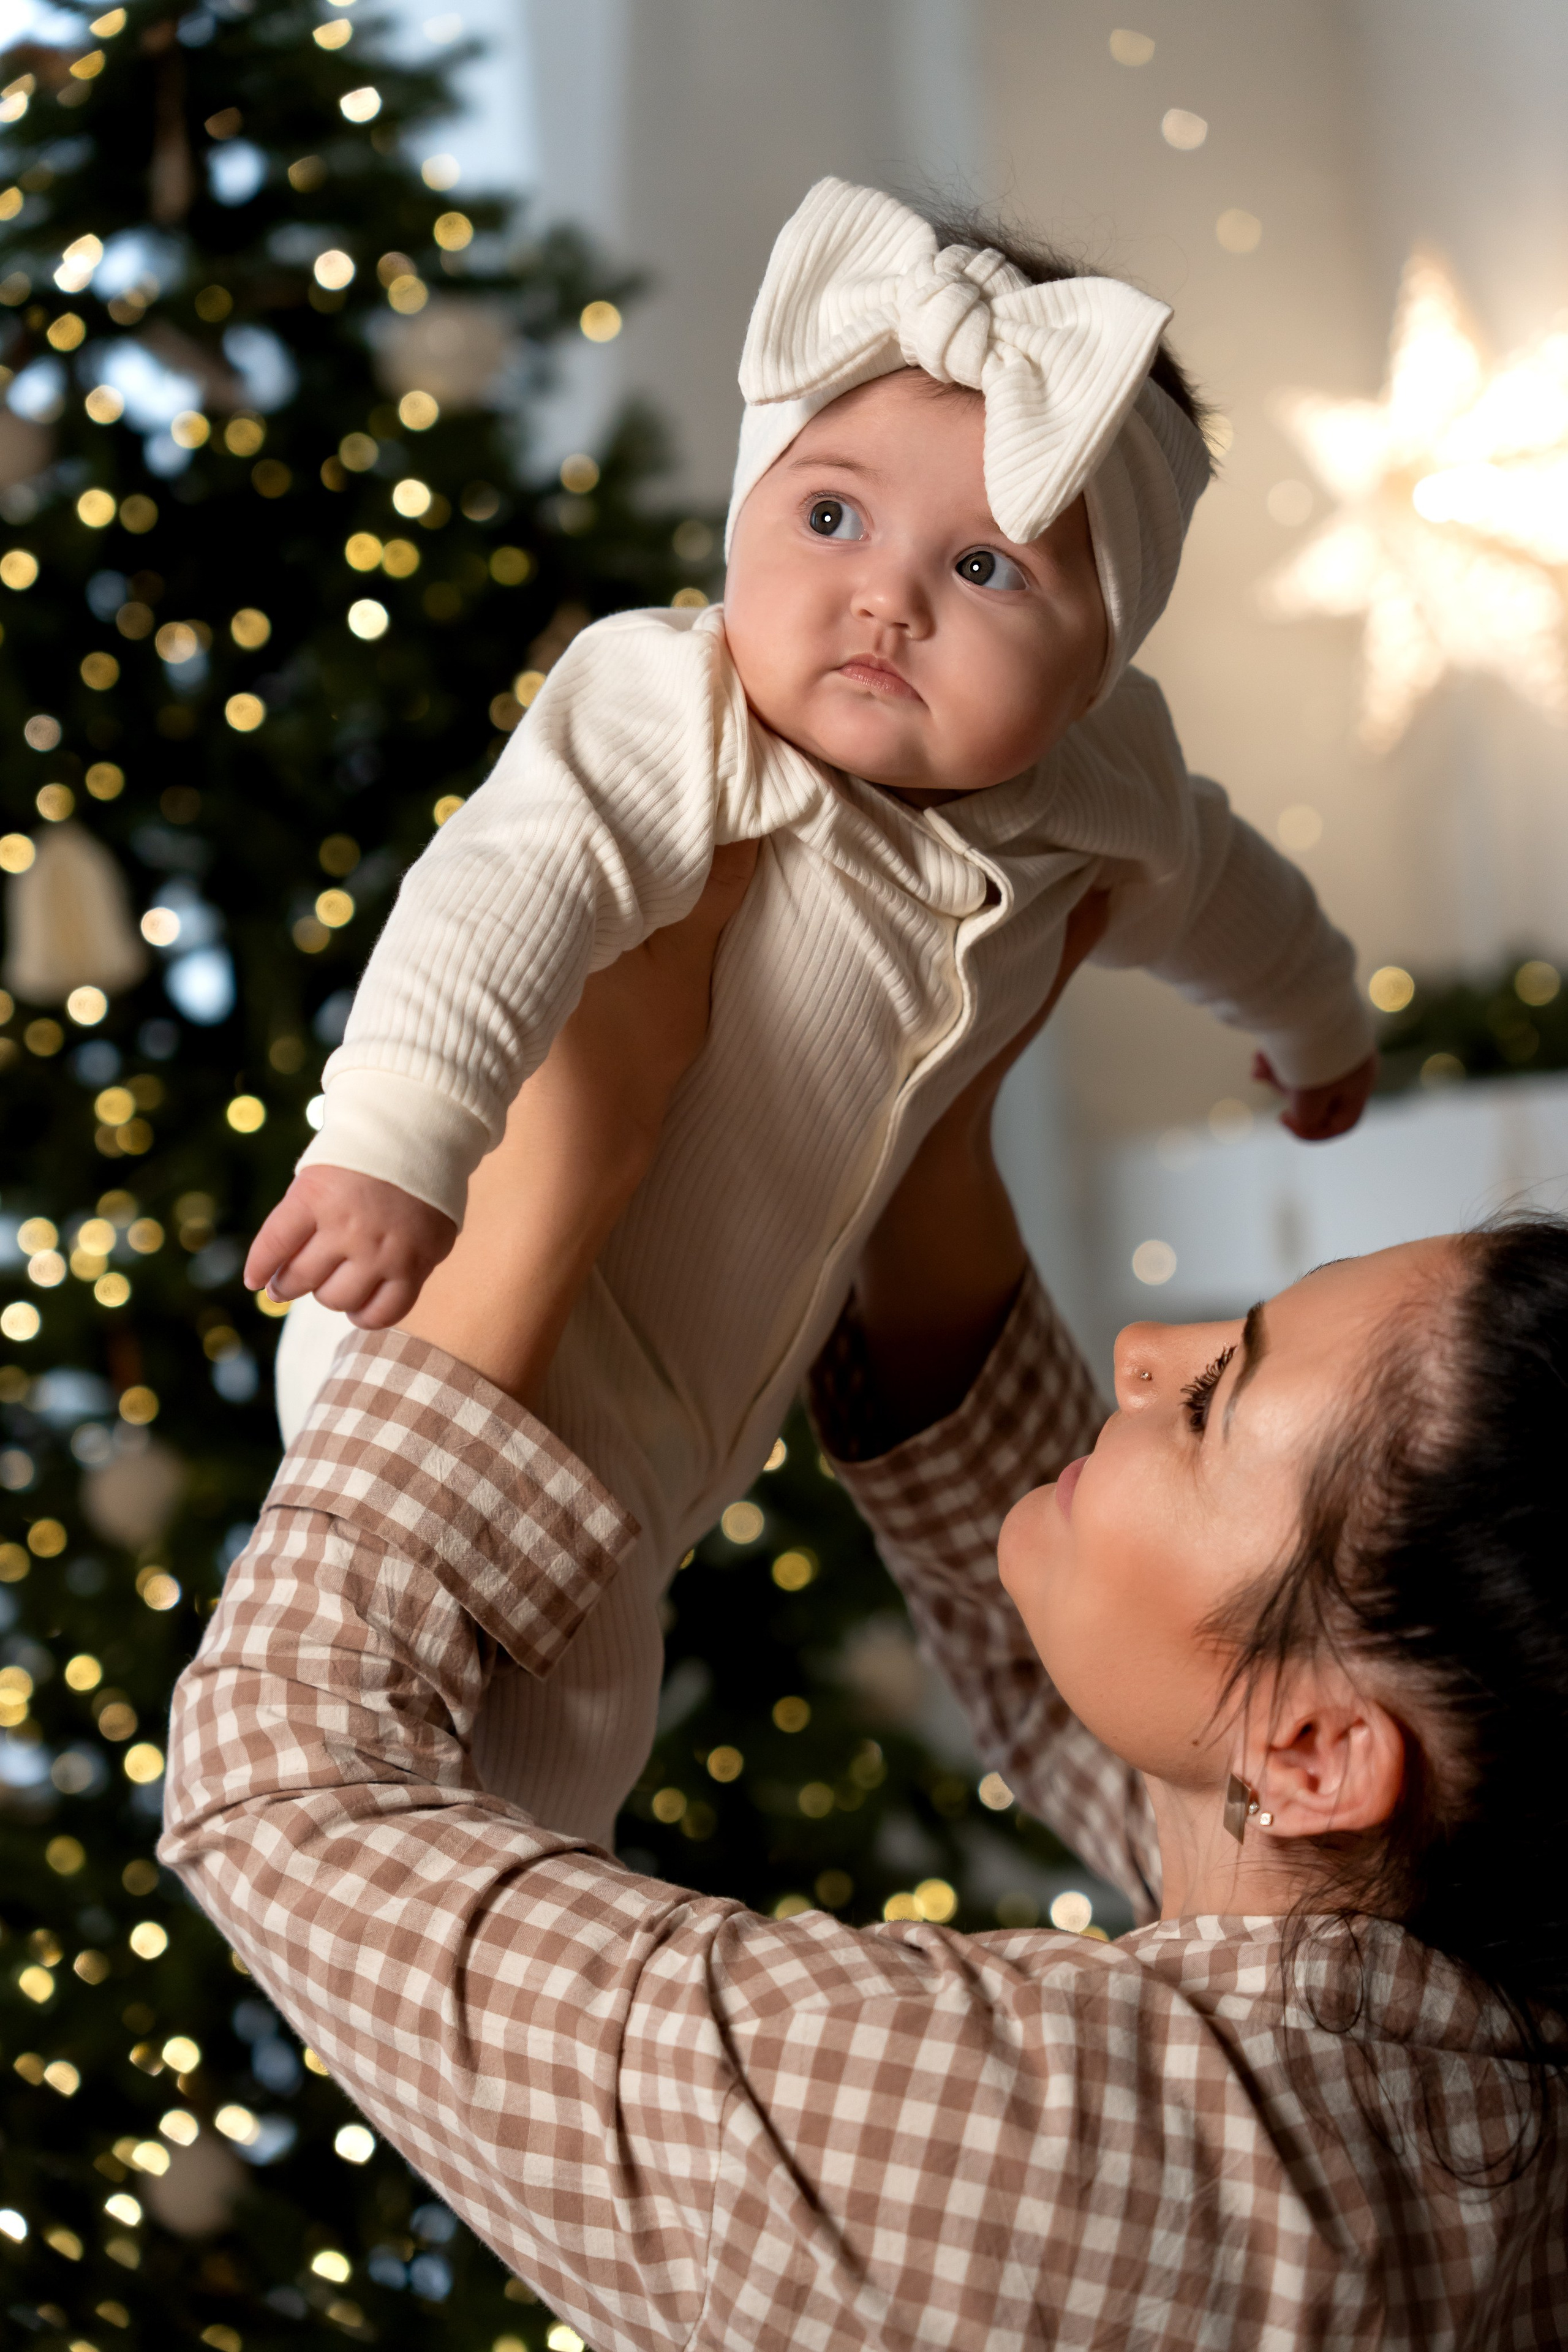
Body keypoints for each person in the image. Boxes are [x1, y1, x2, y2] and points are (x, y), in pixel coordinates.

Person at [165, 858, 1568, 2350]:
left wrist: (555, 1161)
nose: (1145, 1347)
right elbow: (1121, 1696)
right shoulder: (1477, 2005)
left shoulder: (1029, 2158)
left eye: (1214, 1400)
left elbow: (286, 1793)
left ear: (1312, 1755)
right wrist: (930, 1128)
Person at [241, 179, 1376, 1848]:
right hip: (462, 1299)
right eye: (830, 518)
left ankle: (515, 1915)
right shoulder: (668, 705)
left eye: (983, 566)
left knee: (583, 1719)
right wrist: (392, 1150)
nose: (886, 600)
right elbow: (495, 898)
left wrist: (1320, 1022)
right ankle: (433, 1927)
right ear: (752, 500)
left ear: (1099, 667)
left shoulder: (1110, 791)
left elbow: (1236, 898)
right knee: (497, 1744)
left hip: (661, 1434)